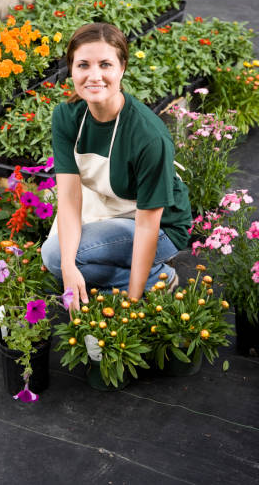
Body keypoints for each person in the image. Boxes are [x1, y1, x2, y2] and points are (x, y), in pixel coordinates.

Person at [41, 22, 192, 312]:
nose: (94, 75)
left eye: (105, 64)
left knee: (55, 257)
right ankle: (144, 275)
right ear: (71, 70)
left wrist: (133, 305)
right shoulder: (67, 116)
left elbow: (148, 224)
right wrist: (70, 268)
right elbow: (69, 200)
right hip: (110, 208)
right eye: (83, 64)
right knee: (62, 262)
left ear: (122, 68)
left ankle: (157, 279)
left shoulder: (147, 135)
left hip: (161, 225)